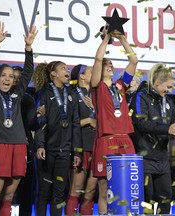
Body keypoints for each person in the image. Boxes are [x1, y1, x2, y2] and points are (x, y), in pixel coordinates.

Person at [0, 21, 37, 216]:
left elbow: (28, 72)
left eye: (11, 76)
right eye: (3, 75)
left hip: (19, 145)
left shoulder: (17, 95)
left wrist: (28, 48)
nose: (7, 79)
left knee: (9, 195)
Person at [90, 26, 138, 214]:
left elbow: (133, 60)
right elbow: (98, 59)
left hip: (125, 139)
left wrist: (123, 39)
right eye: (106, 65)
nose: (110, 66)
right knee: (104, 188)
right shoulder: (97, 86)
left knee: (124, 185)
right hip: (106, 140)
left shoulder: (120, 85)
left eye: (111, 65)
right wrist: (107, 38)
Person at [130, 63, 175, 214]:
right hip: (145, 155)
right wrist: (167, 129)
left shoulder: (166, 100)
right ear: (158, 83)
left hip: (162, 156)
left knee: (166, 196)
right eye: (168, 86)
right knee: (147, 197)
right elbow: (141, 122)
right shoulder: (141, 96)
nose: (170, 90)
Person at [34, 61, 82, 216]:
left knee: (59, 193)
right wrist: (40, 144)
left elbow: (75, 124)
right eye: (63, 68)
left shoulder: (72, 94)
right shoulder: (44, 93)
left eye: (67, 68)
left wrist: (77, 152)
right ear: (53, 74)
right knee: (44, 191)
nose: (67, 71)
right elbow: (41, 120)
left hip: (65, 151)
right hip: (47, 150)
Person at [65, 64, 98, 215]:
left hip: (96, 146)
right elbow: (65, 124)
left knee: (90, 191)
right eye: (92, 71)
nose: (96, 72)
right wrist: (87, 121)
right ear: (82, 76)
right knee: (76, 190)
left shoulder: (97, 94)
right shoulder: (70, 94)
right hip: (80, 147)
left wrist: (96, 111)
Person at [12, 65, 38, 216]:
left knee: (25, 190)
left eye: (18, 78)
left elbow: (32, 124)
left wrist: (38, 116)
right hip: (4, 147)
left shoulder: (28, 98)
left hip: (25, 147)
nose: (15, 80)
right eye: (12, 77)